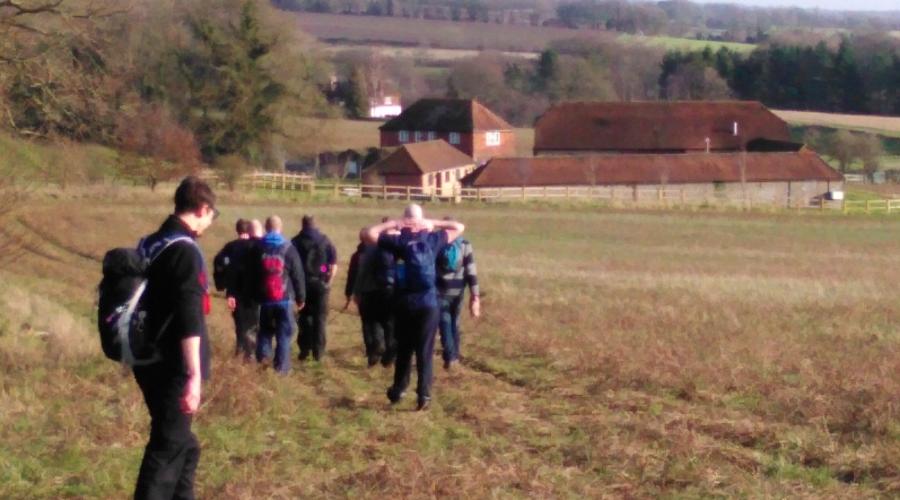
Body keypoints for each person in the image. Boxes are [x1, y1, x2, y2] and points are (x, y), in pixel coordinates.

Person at [132, 176, 217, 499]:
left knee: (185, 445)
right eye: (212, 215)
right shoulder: (185, 251)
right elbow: (188, 316)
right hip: (173, 365)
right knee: (168, 447)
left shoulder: (151, 242)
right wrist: (194, 375)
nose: (210, 222)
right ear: (202, 208)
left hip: (146, 357)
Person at [361, 204, 464, 411]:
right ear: (421, 219)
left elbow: (367, 234)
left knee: (405, 348)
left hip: (405, 302)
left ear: (406, 219)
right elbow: (459, 226)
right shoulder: (433, 239)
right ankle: (424, 395)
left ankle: (399, 389)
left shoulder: (399, 241)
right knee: (424, 351)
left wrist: (394, 223)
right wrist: (433, 223)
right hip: (429, 303)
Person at [251, 215, 305, 374]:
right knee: (284, 334)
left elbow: (251, 275)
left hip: (264, 299)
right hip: (284, 298)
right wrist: (301, 297)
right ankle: (282, 368)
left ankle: (263, 362)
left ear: (266, 228)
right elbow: (297, 274)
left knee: (265, 332)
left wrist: (252, 294)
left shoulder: (258, 247)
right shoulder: (288, 248)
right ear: (280, 228)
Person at [345, 231, 396, 367]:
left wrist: (352, 293)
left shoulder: (359, 255)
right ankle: (390, 352)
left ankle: (373, 352)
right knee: (388, 323)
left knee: (369, 324)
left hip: (367, 293)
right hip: (388, 292)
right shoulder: (391, 251)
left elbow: (354, 275)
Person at [436, 216, 481, 370]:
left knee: (445, 323)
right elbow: (471, 271)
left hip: (441, 290)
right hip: (459, 290)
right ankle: (455, 354)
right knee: (455, 322)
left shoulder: (438, 243)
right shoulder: (465, 244)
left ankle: (450, 357)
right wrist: (475, 295)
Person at [291, 215, 337, 362]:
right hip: (321, 284)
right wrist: (329, 279)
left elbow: (292, 265)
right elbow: (333, 264)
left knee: (304, 317)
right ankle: (319, 352)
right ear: (315, 224)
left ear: (302, 225)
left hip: (303, 285)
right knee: (320, 319)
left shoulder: (296, 241)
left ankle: (304, 349)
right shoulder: (325, 241)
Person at [213, 219, 259, 360]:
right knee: (252, 323)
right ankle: (250, 353)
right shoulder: (255, 246)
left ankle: (240, 349)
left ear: (237, 230)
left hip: (235, 292)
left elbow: (219, 263)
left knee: (240, 323)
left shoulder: (230, 247)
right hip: (253, 292)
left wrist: (221, 284)